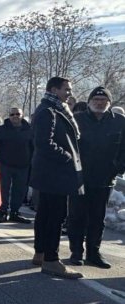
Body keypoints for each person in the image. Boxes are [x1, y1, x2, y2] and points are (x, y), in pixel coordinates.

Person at [30, 77, 84, 279]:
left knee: (45, 214)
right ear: (53, 89)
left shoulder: (52, 108)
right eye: (66, 89)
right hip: (55, 174)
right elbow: (44, 143)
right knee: (55, 216)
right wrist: (68, 157)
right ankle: (51, 260)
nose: (69, 92)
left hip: (50, 174)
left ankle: (41, 253)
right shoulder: (48, 111)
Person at [68, 87, 125, 268]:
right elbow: (69, 147)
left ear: (109, 102)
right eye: (96, 99)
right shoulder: (77, 119)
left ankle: (94, 253)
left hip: (105, 178)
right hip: (79, 178)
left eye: (103, 100)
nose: (99, 102)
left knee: (97, 218)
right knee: (77, 216)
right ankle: (76, 252)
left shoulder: (119, 122)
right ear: (90, 101)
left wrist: (118, 168)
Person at [0, 107, 33, 224]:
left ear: (22, 115)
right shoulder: (1, 130)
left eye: (17, 114)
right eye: (12, 114)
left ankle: (15, 212)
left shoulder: (29, 129)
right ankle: (3, 212)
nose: (15, 116)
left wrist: (32, 162)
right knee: (3, 189)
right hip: (4, 165)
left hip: (23, 165)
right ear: (9, 116)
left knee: (20, 190)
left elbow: (33, 147)